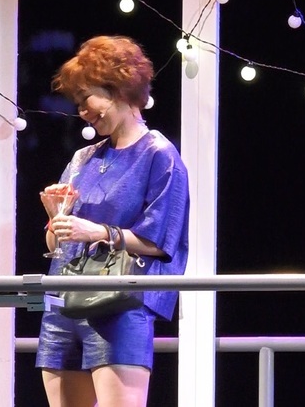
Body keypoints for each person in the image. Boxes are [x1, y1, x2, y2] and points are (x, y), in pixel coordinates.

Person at [36, 35, 190, 407]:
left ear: (118, 90)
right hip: (63, 304)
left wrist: (98, 232)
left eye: (86, 98)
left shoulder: (159, 154)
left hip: (119, 305)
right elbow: (55, 245)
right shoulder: (83, 158)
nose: (82, 111)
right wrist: (56, 218)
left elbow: (161, 241)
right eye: (77, 103)